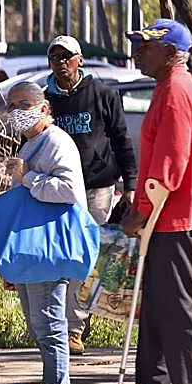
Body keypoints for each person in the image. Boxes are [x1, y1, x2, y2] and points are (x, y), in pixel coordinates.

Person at [116, 20, 192, 384]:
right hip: (171, 217)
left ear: (171, 52)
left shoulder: (177, 91)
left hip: (176, 217)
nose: (138, 52)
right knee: (159, 309)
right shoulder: (174, 87)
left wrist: (140, 210)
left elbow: (169, 164)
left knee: (177, 311)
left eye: (145, 46)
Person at [1, 81, 88, 384]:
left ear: (44, 107)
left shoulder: (55, 142)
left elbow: (68, 191)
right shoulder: (32, 143)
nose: (17, 111)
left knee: (52, 328)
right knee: (42, 328)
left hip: (48, 252)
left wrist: (27, 177)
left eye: (25, 103)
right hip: (32, 253)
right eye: (11, 105)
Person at [43, 34, 137, 355]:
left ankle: (74, 327)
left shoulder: (102, 94)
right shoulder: (46, 100)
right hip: (58, 191)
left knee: (85, 256)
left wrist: (131, 185)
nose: (61, 64)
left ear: (79, 59)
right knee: (60, 258)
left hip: (97, 188)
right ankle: (57, 324)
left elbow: (122, 140)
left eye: (66, 58)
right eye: (55, 58)